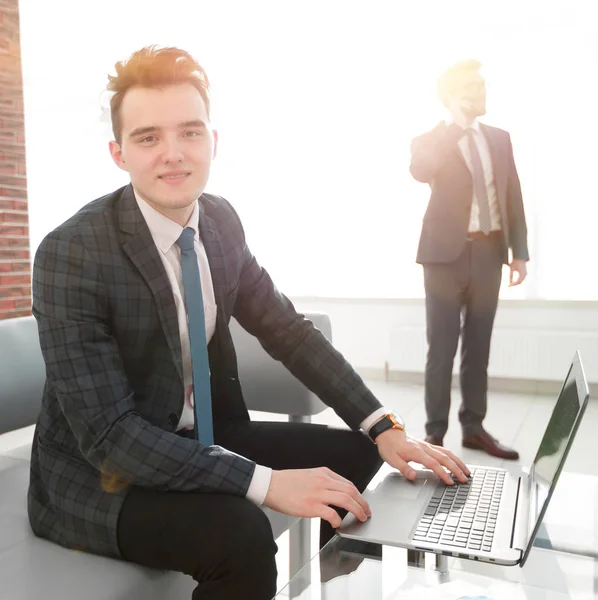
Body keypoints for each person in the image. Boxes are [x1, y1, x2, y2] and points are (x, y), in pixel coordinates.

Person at [29, 46, 469, 600]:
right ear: (118, 154)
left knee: (359, 455)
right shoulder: (72, 253)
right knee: (242, 536)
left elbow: (287, 330)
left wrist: (383, 424)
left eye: (190, 132)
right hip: (103, 475)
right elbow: (111, 438)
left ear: (214, 141)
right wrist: (265, 483)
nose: (174, 155)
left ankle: (330, 587)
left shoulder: (219, 222)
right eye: (148, 138)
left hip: (202, 434)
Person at [409, 59, 529, 459]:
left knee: (479, 346)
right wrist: (454, 127)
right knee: (441, 348)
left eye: (483, 87)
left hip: (489, 253)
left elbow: (512, 195)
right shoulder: (431, 139)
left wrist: (519, 253)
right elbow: (420, 171)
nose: (481, 94)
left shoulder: (499, 138)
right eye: (472, 89)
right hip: (444, 257)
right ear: (452, 96)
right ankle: (435, 434)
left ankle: (474, 427)